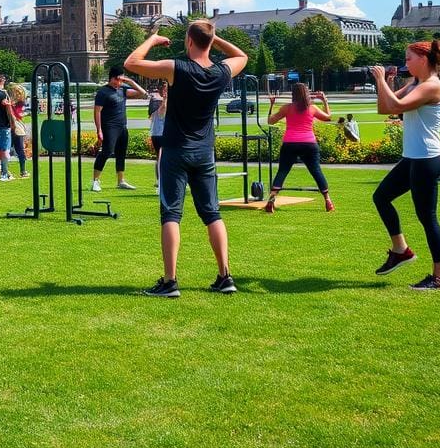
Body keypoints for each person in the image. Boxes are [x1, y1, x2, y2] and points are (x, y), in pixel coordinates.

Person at [124, 21, 248, 297]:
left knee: (170, 214)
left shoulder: (176, 68)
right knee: (212, 214)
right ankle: (225, 276)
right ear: (208, 41)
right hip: (204, 153)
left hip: (176, 150)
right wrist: (214, 40)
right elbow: (242, 56)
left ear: (189, 41)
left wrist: (153, 40)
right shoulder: (220, 72)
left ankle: (170, 282)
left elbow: (132, 62)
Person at [369, 40, 440, 290]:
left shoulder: (431, 87)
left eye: (408, 59)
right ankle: (401, 249)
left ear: (424, 60)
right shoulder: (416, 83)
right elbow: (386, 107)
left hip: (427, 159)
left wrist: (382, 79)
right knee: (381, 197)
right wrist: (387, 82)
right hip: (414, 158)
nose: (405, 63)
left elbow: (393, 106)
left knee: (427, 218)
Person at [265, 84, 334, 213]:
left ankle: (271, 199)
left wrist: (272, 104)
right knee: (316, 171)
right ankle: (328, 201)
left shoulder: (286, 108)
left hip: (290, 143)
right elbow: (328, 117)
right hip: (309, 143)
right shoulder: (312, 108)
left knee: (282, 171)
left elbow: (270, 121)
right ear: (306, 93)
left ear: (293, 94)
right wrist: (325, 101)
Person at [91, 65, 147, 192]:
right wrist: (99, 130)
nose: (119, 82)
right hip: (109, 127)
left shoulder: (122, 90)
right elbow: (97, 112)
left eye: (121, 80)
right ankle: (95, 181)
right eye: (118, 79)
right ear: (112, 78)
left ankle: (121, 181)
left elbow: (143, 94)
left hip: (122, 127)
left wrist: (130, 82)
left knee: (121, 153)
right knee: (106, 152)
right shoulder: (103, 92)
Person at [148, 81, 168, 187]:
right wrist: (165, 100)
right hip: (159, 133)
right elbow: (161, 113)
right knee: (160, 157)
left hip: (168, 133)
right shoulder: (155, 100)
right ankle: (160, 180)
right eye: (164, 89)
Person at [9, 84, 30, 179]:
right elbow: (18, 114)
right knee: (19, 149)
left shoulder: (13, 102)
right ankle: (22, 171)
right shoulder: (19, 102)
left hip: (10, 126)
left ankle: (4, 169)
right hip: (16, 126)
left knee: (9, 149)